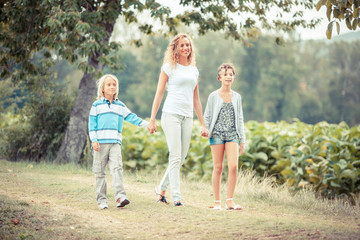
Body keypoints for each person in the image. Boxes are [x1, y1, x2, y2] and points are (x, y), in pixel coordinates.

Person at [148, 33, 209, 207]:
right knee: (175, 157)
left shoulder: (194, 70)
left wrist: (203, 124)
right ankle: (177, 198)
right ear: (175, 48)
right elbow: (159, 93)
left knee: (180, 159)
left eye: (188, 45)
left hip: (187, 116)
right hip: (171, 115)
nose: (185, 48)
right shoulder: (168, 68)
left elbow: (196, 99)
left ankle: (161, 187)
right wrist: (152, 119)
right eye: (182, 45)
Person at [88, 74, 149, 210]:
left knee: (117, 169)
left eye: (114, 84)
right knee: (99, 172)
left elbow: (132, 117)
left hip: (115, 142)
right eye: (108, 84)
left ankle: (120, 197)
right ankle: (101, 200)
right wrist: (94, 140)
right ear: (102, 88)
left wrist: (147, 124)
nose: (112, 87)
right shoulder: (96, 105)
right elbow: (92, 124)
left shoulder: (120, 106)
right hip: (100, 144)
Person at [204, 63, 246, 210]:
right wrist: (205, 129)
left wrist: (242, 140)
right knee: (218, 167)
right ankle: (217, 203)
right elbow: (207, 116)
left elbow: (240, 118)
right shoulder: (213, 96)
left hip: (232, 134)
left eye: (231, 74)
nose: (229, 76)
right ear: (219, 77)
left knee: (234, 167)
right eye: (226, 74)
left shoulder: (237, 97)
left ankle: (229, 201)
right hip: (216, 134)